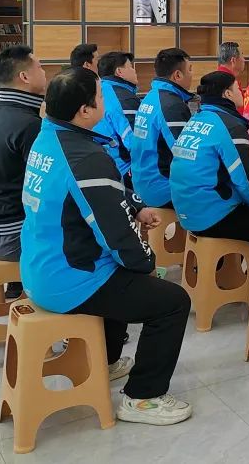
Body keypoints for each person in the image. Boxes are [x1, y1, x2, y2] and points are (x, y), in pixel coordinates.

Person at [20, 68, 192, 426]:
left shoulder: (50, 137)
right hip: (69, 279)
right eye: (100, 97)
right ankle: (143, 397)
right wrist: (147, 262)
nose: (105, 102)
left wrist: (134, 203)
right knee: (172, 301)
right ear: (84, 111)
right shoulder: (84, 156)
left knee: (121, 274)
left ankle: (108, 360)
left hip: (41, 266)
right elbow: (118, 238)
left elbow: (96, 190)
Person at [170, 71, 249, 245]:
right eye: (238, 88)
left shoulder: (196, 119)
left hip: (186, 211)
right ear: (227, 94)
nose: (242, 92)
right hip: (210, 216)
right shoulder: (230, 126)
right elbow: (245, 181)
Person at [0, 45, 48, 262]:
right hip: (9, 232)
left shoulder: (0, 110)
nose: (44, 72)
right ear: (24, 77)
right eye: (40, 67)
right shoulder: (27, 123)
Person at [133, 48, 193, 208]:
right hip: (162, 189)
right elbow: (187, 156)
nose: (192, 75)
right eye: (190, 69)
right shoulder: (172, 105)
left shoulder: (150, 97)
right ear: (177, 75)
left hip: (142, 183)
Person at [95, 51, 141, 185]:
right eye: (130, 66)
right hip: (122, 171)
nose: (134, 70)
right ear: (119, 71)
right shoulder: (124, 98)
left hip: (103, 166)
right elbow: (136, 144)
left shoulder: (99, 90)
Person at [215, 41, 248, 115]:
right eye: (242, 56)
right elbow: (240, 115)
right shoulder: (230, 84)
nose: (244, 60)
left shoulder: (217, 78)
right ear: (233, 60)